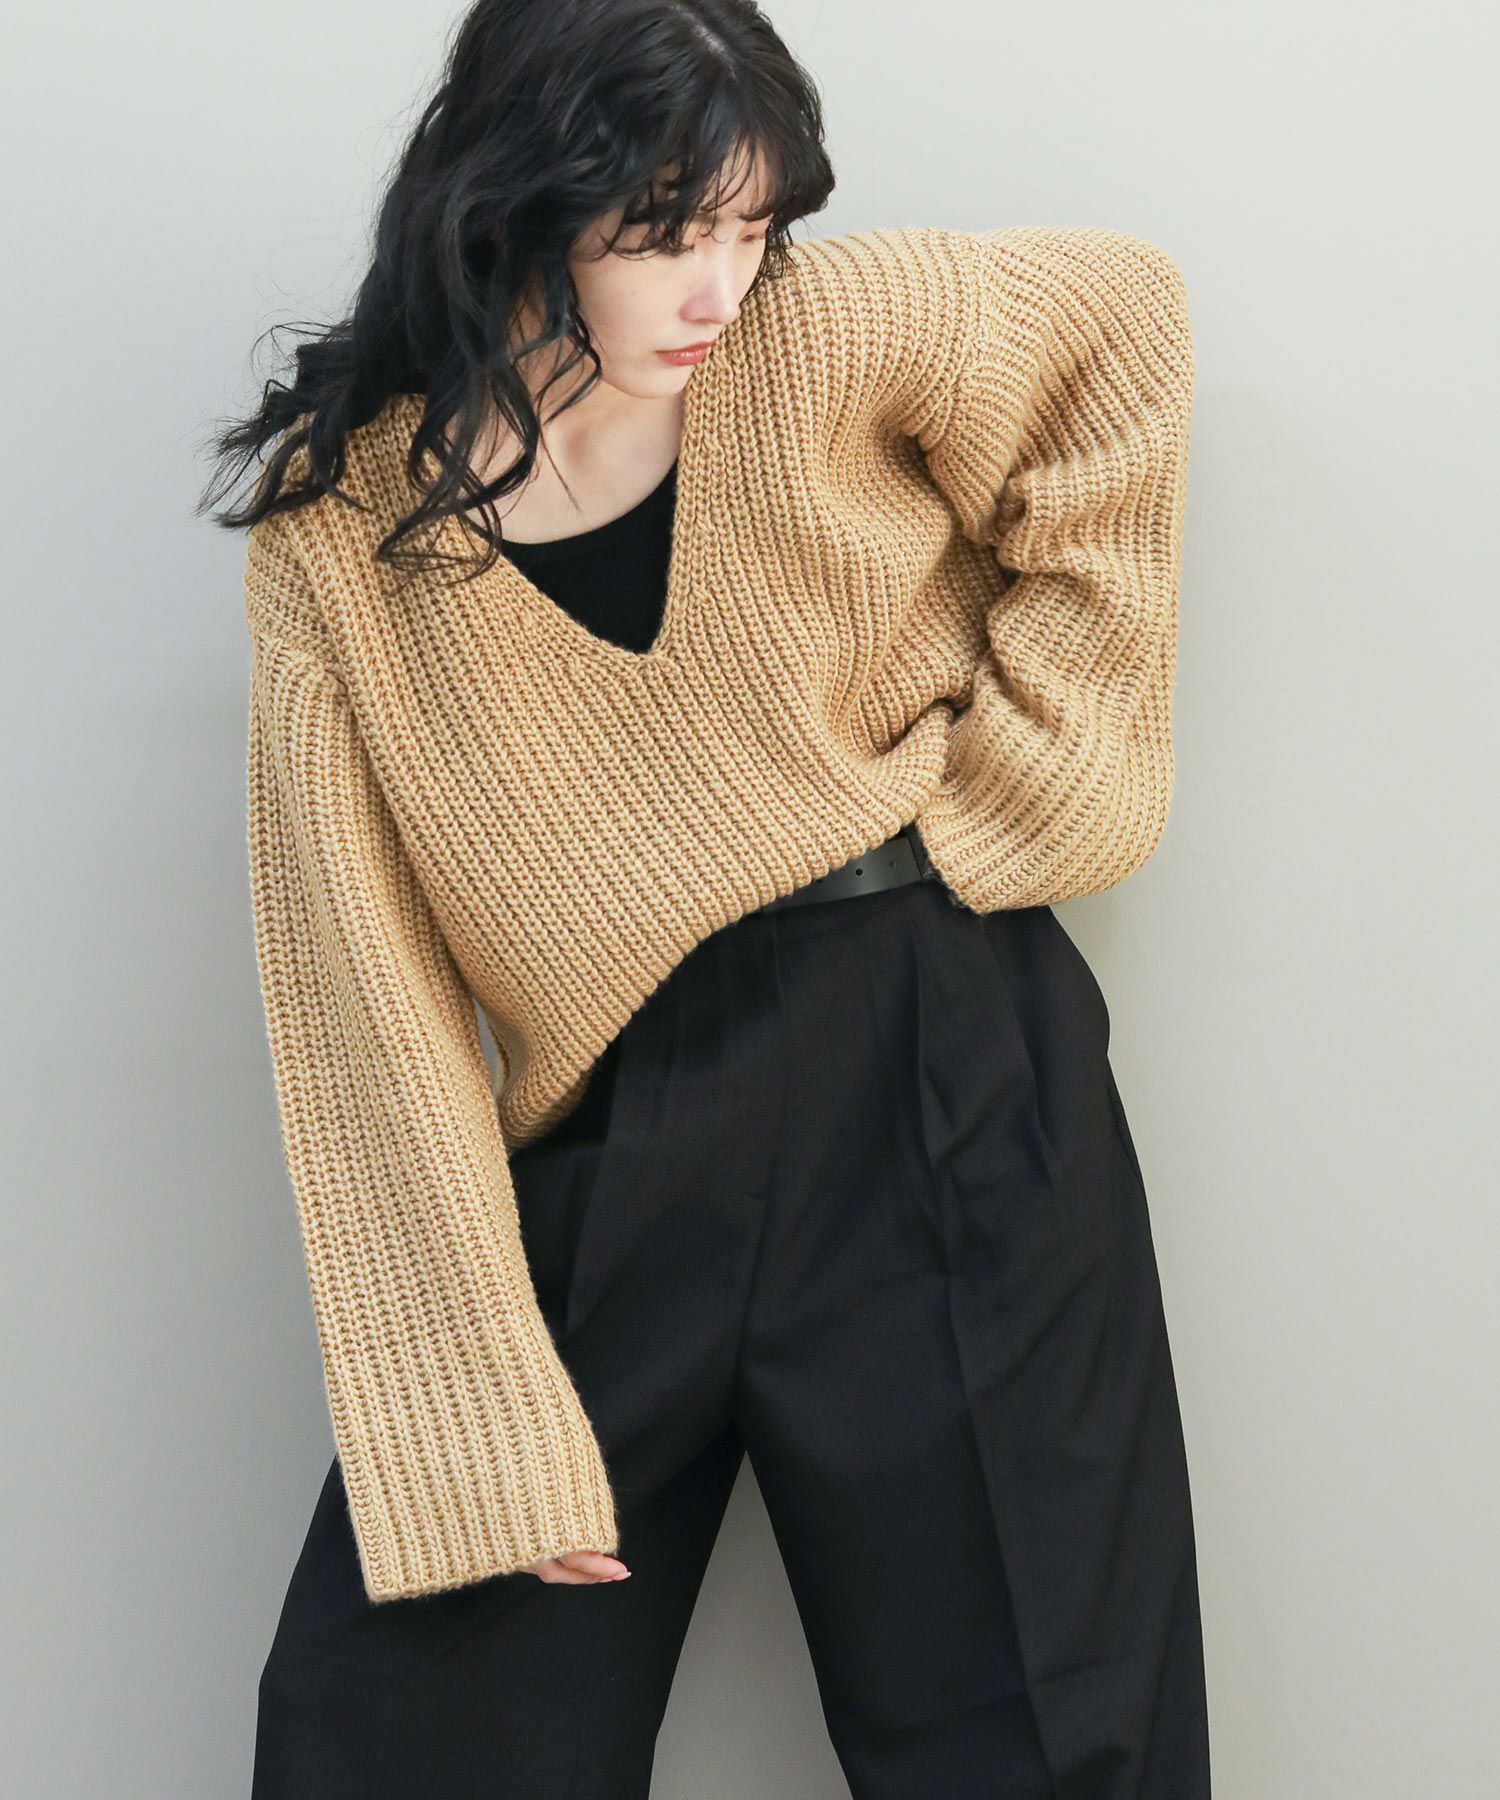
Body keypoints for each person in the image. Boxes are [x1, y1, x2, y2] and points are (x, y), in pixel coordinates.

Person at [202, 1, 1210, 1793]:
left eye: (754, 227)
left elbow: (1119, 322)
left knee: (1047, 1730)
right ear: (517, 200)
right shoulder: (341, 531)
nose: (720, 287)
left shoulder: (819, 331)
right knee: (395, 1738)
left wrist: (1038, 781)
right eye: (667, 233)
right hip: (611, 1124)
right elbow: (365, 1006)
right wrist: (470, 1406)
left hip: (936, 1047)